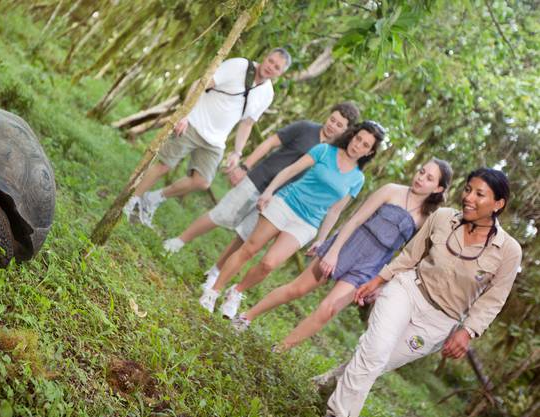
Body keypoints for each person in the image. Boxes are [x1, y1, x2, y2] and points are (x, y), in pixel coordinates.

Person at [312, 168, 522, 417]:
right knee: (374, 352)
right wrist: (379, 279)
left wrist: (467, 331)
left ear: (498, 204)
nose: (468, 197)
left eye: (480, 194)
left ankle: (328, 382)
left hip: (439, 321)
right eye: (468, 189)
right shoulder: (443, 218)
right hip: (408, 290)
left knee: (378, 362)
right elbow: (410, 256)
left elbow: (494, 299)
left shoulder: (509, 250)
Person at [231, 159, 453, 347]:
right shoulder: (391, 191)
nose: (421, 178)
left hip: (370, 266)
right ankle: (245, 317)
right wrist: (333, 252)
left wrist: (381, 284)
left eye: (429, 178)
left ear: (438, 189)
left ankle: (280, 349)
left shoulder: (427, 220)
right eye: (422, 171)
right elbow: (355, 219)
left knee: (328, 311)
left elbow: (410, 258)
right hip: (347, 246)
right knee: (297, 289)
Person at [199, 121, 386, 319]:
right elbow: (290, 171)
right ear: (351, 135)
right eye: (358, 139)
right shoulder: (324, 150)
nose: (358, 146)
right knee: (249, 249)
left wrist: (321, 240)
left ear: (369, 153)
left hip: (307, 223)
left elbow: (334, 211)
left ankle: (235, 292)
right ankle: (213, 292)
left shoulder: (358, 179)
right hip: (285, 203)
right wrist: (269, 192)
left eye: (365, 145)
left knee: (268, 264)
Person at [162, 102, 360, 263]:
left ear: (347, 131)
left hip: (280, 199)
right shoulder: (305, 128)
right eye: (332, 119)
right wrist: (245, 166)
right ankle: (178, 241)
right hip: (259, 179)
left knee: (245, 237)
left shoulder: (335, 156)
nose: (332, 125)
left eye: (339, 125)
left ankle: (215, 272)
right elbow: (270, 143)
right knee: (221, 215)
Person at [123, 48, 292, 227]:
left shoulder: (267, 94)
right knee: (164, 165)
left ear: (281, 73)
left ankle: (152, 199)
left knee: (202, 181)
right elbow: (200, 83)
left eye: (277, 67)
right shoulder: (239, 65)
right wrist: (185, 114)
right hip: (193, 123)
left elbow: (247, 123)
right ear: (265, 58)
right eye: (271, 61)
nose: (271, 67)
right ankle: (130, 201)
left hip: (217, 140)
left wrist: (237, 152)